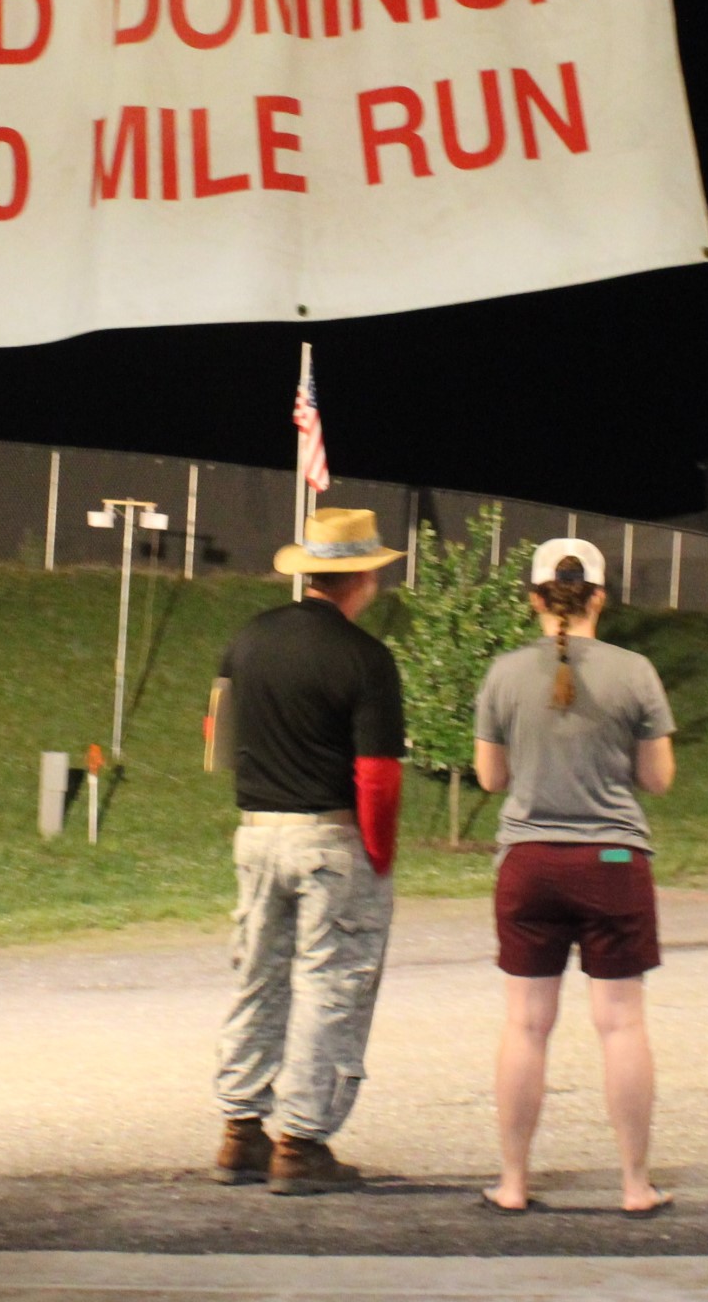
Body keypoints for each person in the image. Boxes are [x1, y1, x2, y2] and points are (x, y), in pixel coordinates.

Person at [471, 539, 677, 1218]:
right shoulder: (636, 672)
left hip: (529, 864)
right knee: (620, 1024)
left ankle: (512, 1182)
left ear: (533, 598)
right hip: (613, 862)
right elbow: (658, 778)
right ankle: (634, 1184)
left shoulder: (502, 675)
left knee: (526, 1024)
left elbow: (491, 779)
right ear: (599, 597)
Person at [204, 506, 406, 1195]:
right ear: (365, 576)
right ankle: (302, 1141)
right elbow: (378, 775)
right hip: (332, 837)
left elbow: (218, 742)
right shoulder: (366, 658)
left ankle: (240, 1129)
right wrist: (379, 854)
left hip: (257, 832)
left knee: (256, 974)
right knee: (332, 983)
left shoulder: (248, 639)